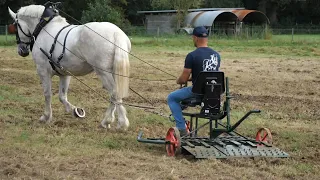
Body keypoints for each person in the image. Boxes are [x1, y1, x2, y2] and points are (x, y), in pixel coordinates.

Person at [167, 26, 221, 136]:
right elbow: (208, 74)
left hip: (197, 91)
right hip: (213, 92)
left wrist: (179, 80)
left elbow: (183, 79)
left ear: (195, 38)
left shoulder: (192, 56)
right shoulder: (216, 55)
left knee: (172, 98)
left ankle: (181, 128)